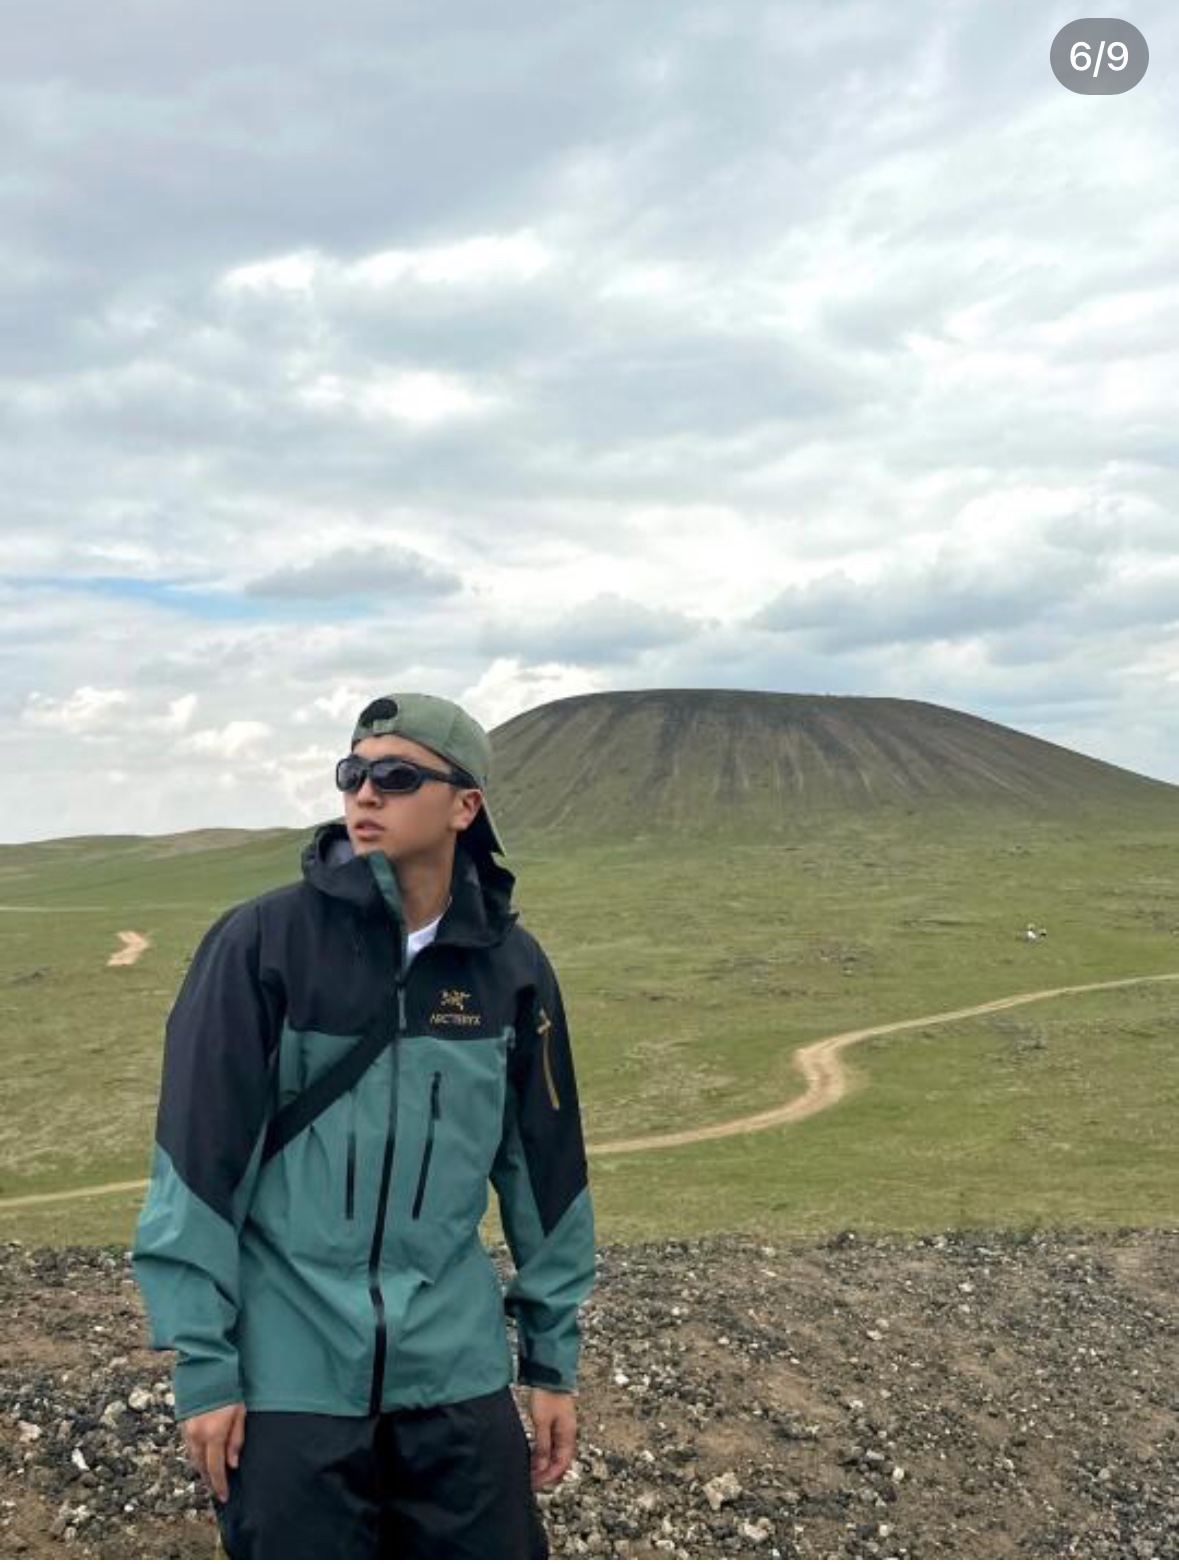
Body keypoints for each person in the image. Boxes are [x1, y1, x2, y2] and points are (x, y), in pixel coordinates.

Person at [130, 692, 596, 1558]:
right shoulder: (261, 944)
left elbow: (547, 1175)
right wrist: (204, 1364)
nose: (364, 793)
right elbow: (196, 1166)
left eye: (395, 774)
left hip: (454, 1370)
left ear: (466, 806)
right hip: (289, 1374)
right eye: (353, 773)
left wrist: (550, 1363)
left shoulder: (510, 969)